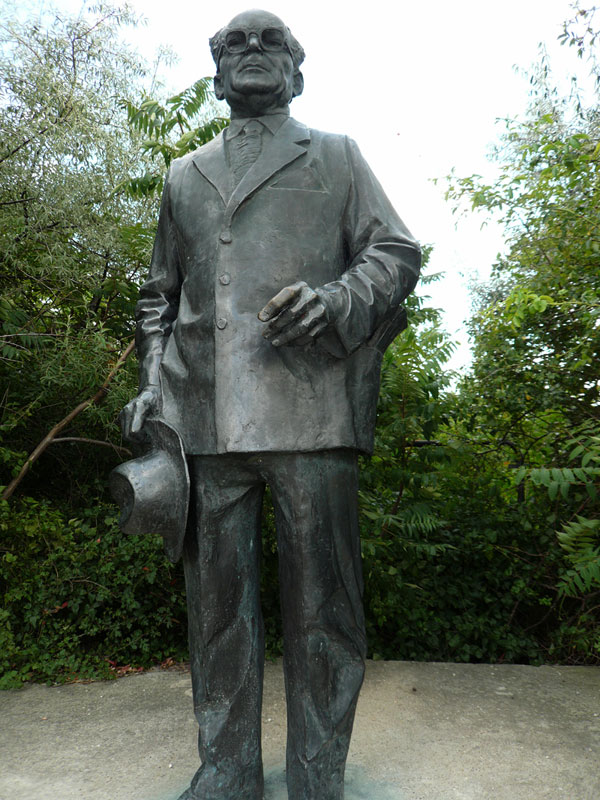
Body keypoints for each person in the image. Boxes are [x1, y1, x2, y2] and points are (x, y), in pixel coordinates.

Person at [120, 9, 421, 800]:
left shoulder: (337, 156)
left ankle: (318, 774)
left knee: (325, 611)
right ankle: (227, 768)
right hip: (203, 420)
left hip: (312, 412)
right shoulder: (184, 174)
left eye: (271, 41)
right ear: (216, 74)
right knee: (217, 611)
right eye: (235, 43)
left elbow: (395, 252)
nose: (252, 50)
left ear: (297, 70)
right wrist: (152, 382)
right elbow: (158, 297)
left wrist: (337, 300)